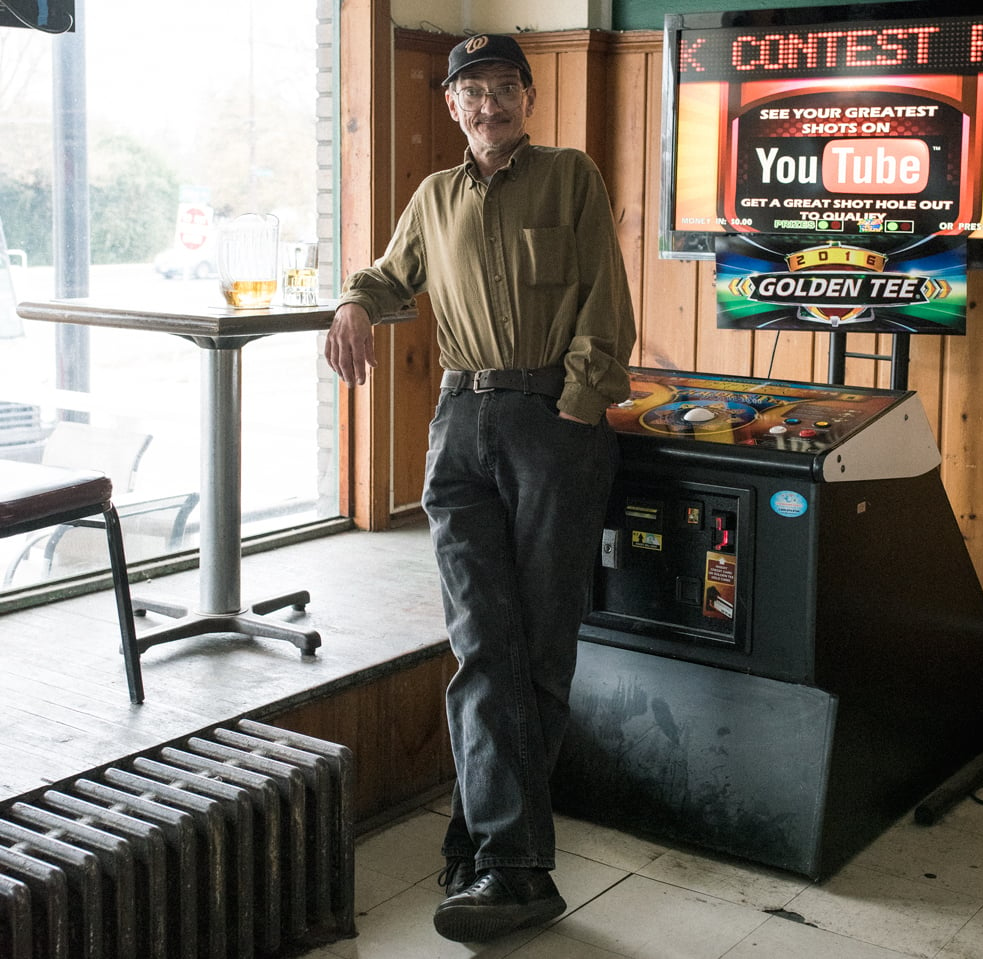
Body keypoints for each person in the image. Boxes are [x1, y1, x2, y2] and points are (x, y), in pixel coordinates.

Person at [325, 32, 636, 943]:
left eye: (504, 88)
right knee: (479, 644)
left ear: (528, 99)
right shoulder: (432, 196)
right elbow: (391, 277)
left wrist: (574, 406)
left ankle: (496, 850)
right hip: (459, 428)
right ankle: (505, 852)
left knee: (535, 651)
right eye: (472, 93)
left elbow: (604, 301)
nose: (488, 105)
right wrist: (353, 302)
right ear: (453, 107)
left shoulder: (569, 176)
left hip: (552, 421)